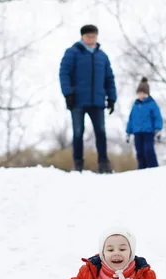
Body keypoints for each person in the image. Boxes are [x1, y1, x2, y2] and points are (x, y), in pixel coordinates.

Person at [59, 24, 117, 174]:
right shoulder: (72, 53)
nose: (91, 39)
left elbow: (109, 78)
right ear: (82, 37)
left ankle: (104, 163)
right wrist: (68, 94)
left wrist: (111, 98)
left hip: (97, 101)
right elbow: (64, 73)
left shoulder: (102, 56)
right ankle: (78, 163)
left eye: (93, 37)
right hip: (77, 100)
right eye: (88, 37)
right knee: (78, 132)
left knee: (101, 132)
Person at [125, 77, 163, 169]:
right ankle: (142, 169)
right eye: (139, 93)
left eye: (143, 93)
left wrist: (158, 129)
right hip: (137, 132)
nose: (141, 95)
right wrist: (128, 132)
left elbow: (157, 117)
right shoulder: (135, 106)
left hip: (148, 132)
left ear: (147, 94)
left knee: (148, 150)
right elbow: (131, 119)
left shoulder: (152, 104)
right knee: (139, 152)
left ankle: (153, 167)